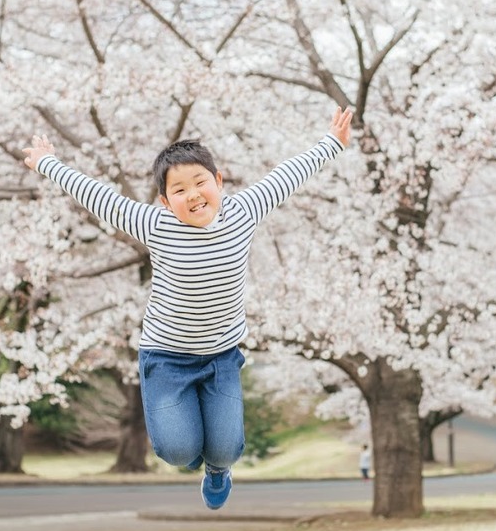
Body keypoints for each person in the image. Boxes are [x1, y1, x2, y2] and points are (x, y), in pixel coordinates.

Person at [23, 107, 354, 510]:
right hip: (166, 357)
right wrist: (48, 163)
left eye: (200, 183)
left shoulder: (244, 211)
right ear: (165, 201)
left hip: (221, 356)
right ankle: (190, 440)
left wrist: (331, 142)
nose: (193, 195)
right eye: (179, 190)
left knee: (228, 450)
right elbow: (99, 196)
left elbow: (286, 176)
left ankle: (218, 469)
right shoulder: (154, 225)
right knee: (179, 452)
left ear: (218, 181)